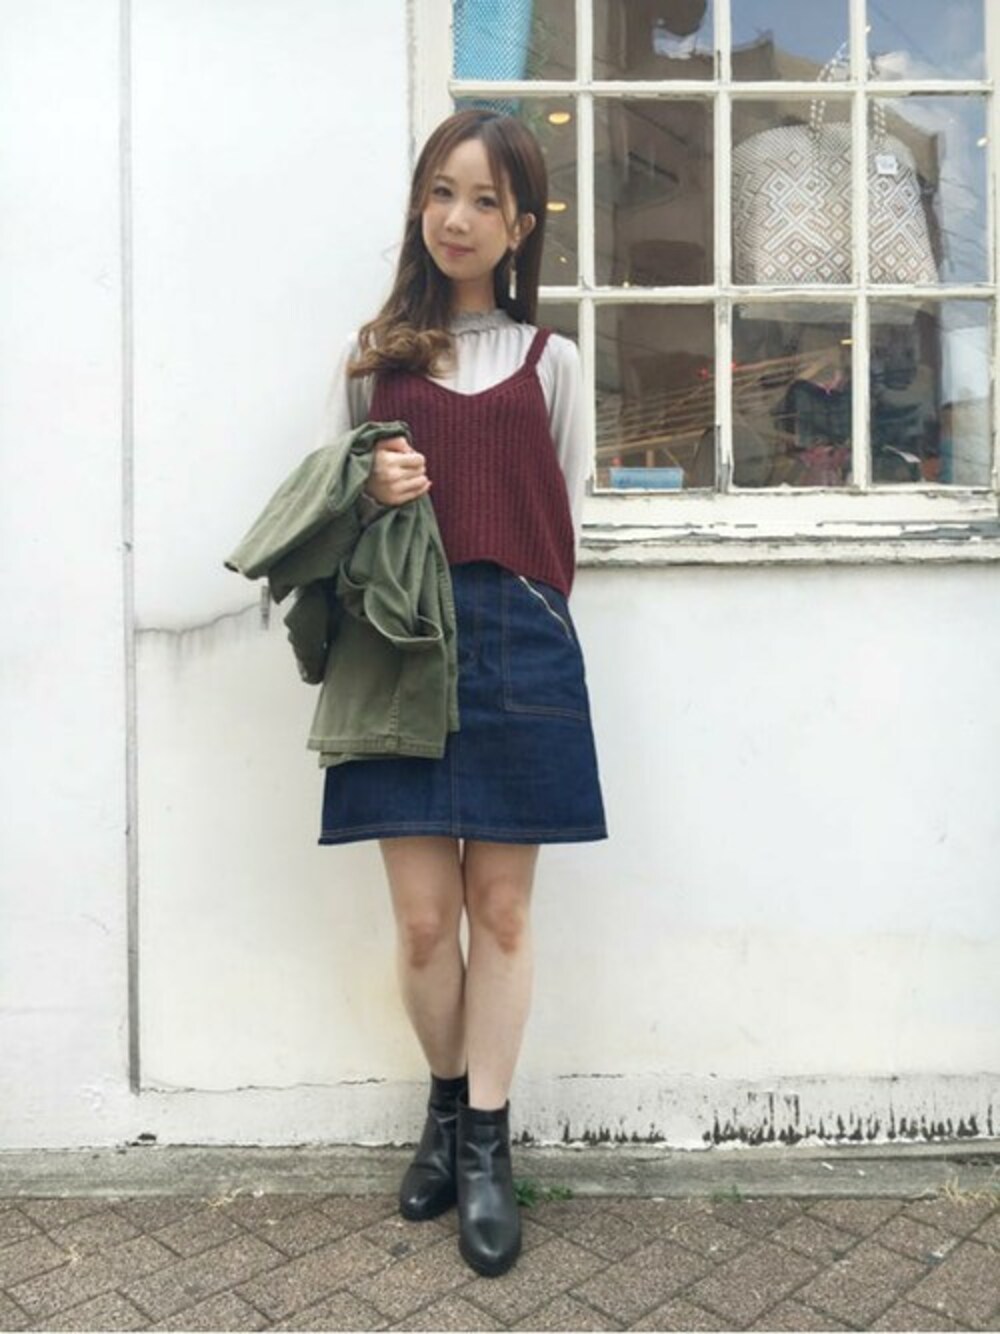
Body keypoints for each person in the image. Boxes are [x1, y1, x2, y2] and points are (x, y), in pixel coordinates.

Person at [316, 107, 607, 1278]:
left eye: (486, 199)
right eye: (442, 190)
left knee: (502, 912)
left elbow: (564, 518)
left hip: (518, 638)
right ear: (418, 204)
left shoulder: (554, 362)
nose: (458, 217)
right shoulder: (373, 361)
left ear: (520, 226)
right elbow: (328, 524)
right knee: (426, 921)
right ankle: (445, 1101)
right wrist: (369, 489)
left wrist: (522, 611)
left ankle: (483, 1143)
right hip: (398, 641)